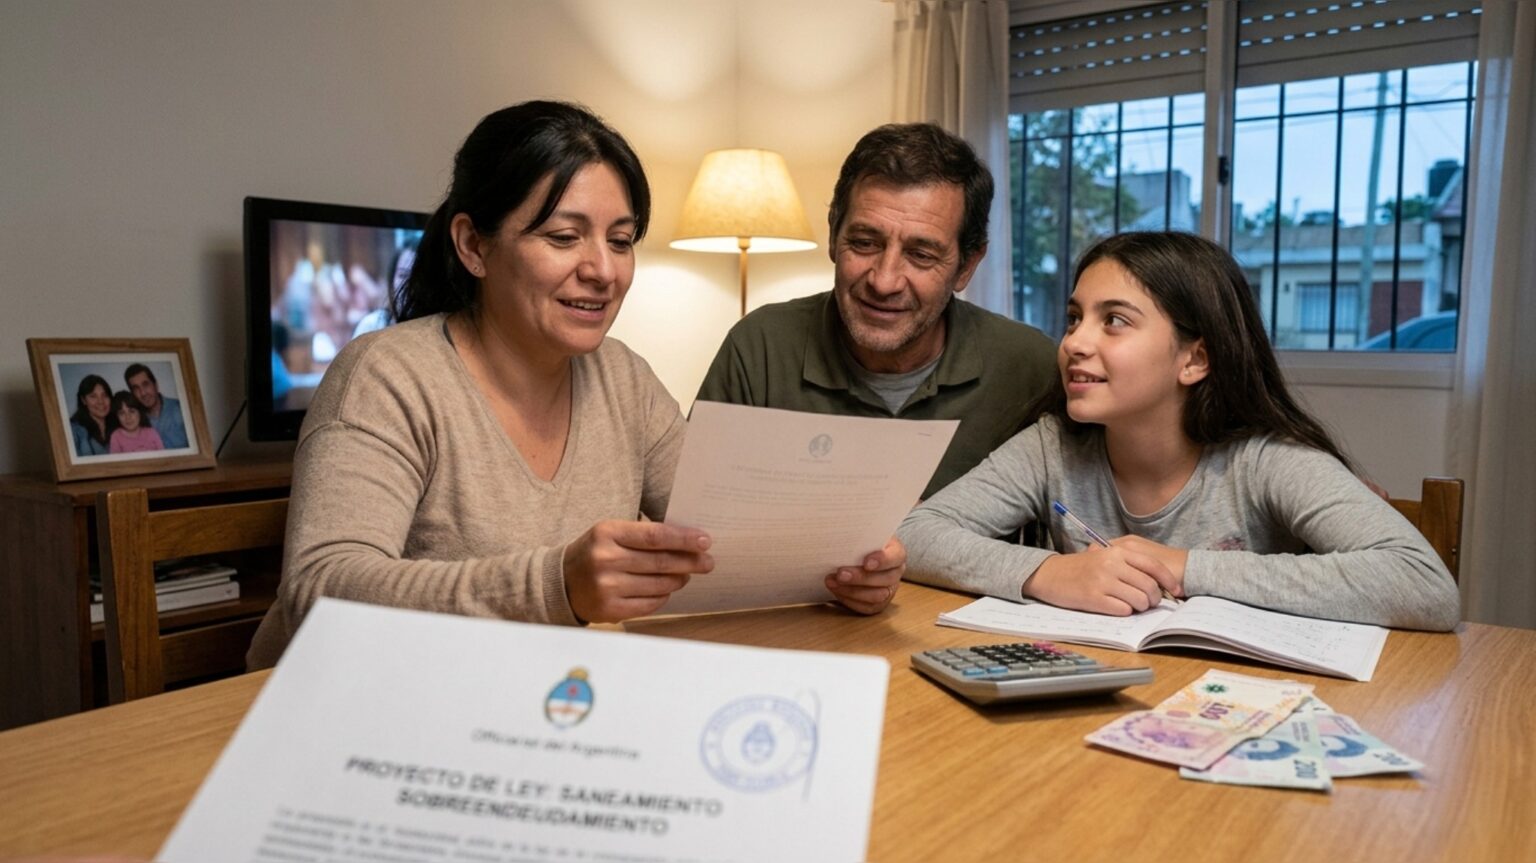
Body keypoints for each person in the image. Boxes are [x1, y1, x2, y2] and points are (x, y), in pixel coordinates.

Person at [246, 101, 902, 669]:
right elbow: (321, 591)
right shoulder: (385, 376)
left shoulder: (624, 378)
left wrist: (843, 565)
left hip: (543, 693)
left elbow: (725, 535)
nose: (602, 270)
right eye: (564, 236)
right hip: (352, 709)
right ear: (474, 246)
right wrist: (557, 583)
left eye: (621, 241)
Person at [897, 231, 1459, 631]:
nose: (1074, 343)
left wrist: (1180, 565)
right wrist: (1050, 572)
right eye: (1075, 318)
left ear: (1194, 360)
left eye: (1113, 321)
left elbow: (1423, 586)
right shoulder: (1052, 445)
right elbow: (917, 535)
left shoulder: (1266, 459)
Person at [694, 123, 1057, 501]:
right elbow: (696, 515)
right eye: (865, 243)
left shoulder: (1032, 367)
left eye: (921, 255)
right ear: (834, 235)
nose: (884, 282)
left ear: (966, 266)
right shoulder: (759, 347)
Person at [124, 364, 188, 449]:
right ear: (132, 394)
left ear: (156, 385)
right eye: (136, 389)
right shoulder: (133, 422)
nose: (143, 393)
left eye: (145, 384)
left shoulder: (182, 408)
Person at [68, 375, 113, 457]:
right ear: (83, 400)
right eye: (93, 396)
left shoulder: (120, 426)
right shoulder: (74, 431)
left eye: (104, 395)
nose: (101, 402)